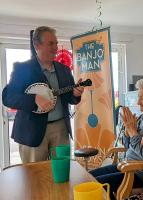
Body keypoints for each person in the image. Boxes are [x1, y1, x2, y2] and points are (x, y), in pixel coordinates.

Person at [2, 26, 84, 163]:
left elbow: (70, 98)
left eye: (56, 43)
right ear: (37, 45)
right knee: (34, 176)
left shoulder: (64, 69)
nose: (56, 48)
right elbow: (8, 97)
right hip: (32, 131)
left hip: (61, 130)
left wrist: (76, 94)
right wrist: (34, 99)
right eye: (51, 43)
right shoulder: (22, 69)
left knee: (62, 174)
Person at [89, 78, 143, 199]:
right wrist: (127, 133)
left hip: (142, 173)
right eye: (138, 97)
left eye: (142, 98)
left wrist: (133, 133)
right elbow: (129, 147)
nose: (138, 102)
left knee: (97, 185)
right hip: (128, 165)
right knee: (89, 177)